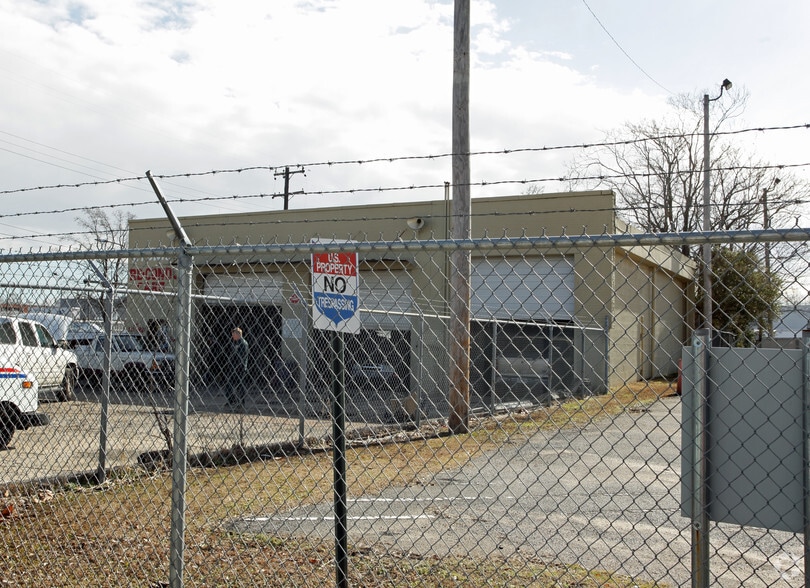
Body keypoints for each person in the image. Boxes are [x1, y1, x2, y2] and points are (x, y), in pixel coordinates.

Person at [226, 327, 249, 408]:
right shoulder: (234, 342)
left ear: (238, 334)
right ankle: (231, 400)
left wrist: (237, 365)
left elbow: (242, 356)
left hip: (240, 367)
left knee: (240, 386)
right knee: (229, 384)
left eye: (234, 334)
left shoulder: (243, 343)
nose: (232, 335)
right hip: (233, 367)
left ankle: (241, 402)